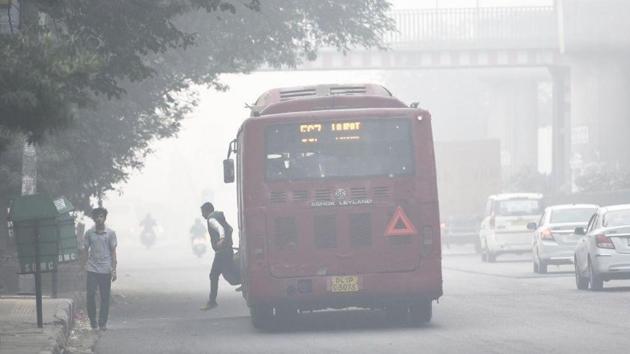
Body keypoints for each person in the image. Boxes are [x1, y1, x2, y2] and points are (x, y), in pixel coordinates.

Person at [82, 206, 117, 331]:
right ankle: (93, 321)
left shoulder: (111, 233)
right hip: (92, 268)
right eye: (97, 217)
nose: (99, 219)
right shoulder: (89, 233)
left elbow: (113, 252)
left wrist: (114, 269)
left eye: (101, 216)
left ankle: (102, 322)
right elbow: (85, 249)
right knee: (90, 295)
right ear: (94, 219)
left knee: (104, 297)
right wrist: (84, 265)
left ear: (105, 218)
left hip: (105, 269)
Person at [200, 202, 239, 310]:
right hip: (228, 250)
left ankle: (212, 301)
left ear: (206, 211)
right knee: (231, 270)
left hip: (221, 253)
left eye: (202, 212)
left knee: (213, 275)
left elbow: (220, 228)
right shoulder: (219, 216)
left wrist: (222, 240)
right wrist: (227, 241)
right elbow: (230, 229)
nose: (202, 215)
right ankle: (244, 281)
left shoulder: (211, 219)